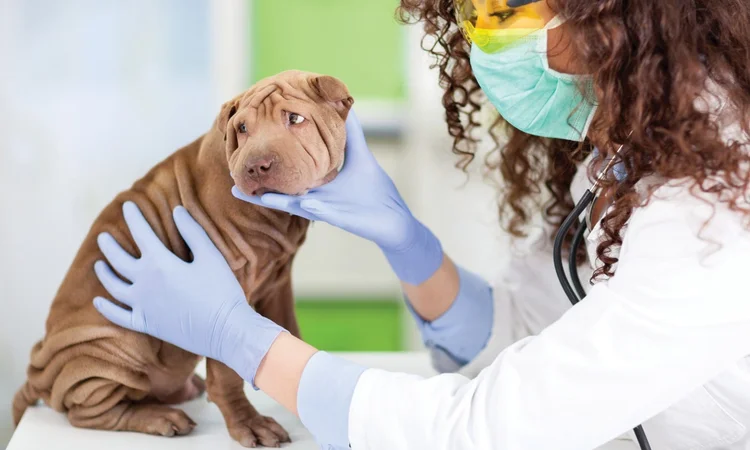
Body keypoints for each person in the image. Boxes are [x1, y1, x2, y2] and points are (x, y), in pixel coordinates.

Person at [90, 0, 750, 448]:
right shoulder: (635, 145)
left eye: (502, 12)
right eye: (472, 13)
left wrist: (242, 340)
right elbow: (529, 334)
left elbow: (477, 433)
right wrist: (405, 242)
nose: (484, 42)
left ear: (618, 14)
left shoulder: (712, 208)